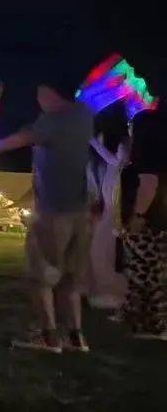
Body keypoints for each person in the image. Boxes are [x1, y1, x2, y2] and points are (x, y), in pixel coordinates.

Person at [0, 79, 94, 353]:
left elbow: (21, 139)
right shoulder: (83, 115)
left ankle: (49, 337)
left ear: (52, 92)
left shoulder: (53, 120)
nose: (38, 99)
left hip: (53, 212)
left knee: (40, 276)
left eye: (41, 92)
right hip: (81, 211)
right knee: (70, 279)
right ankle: (76, 337)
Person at [119, 110, 167, 339]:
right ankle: (147, 322)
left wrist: (138, 215)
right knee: (153, 272)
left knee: (144, 273)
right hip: (158, 221)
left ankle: (153, 323)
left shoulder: (148, 159)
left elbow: (149, 184)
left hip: (149, 223)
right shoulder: (158, 157)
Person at [86, 132, 130, 311]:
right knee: (100, 254)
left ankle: (112, 293)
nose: (120, 152)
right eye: (119, 149)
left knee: (106, 254)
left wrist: (93, 140)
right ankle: (104, 290)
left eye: (123, 150)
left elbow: (101, 150)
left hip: (114, 218)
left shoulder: (122, 169)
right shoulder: (113, 166)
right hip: (108, 216)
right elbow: (101, 152)